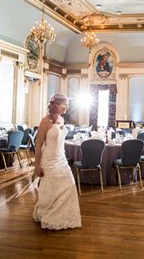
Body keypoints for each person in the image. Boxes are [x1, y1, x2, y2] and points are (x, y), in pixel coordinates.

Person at [33, 93, 82, 230]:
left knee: (69, 185)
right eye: (64, 105)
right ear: (55, 105)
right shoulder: (45, 121)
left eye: (67, 105)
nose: (66, 108)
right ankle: (47, 213)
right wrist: (37, 166)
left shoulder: (61, 120)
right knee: (51, 189)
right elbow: (38, 145)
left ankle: (64, 216)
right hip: (48, 160)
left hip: (61, 158)